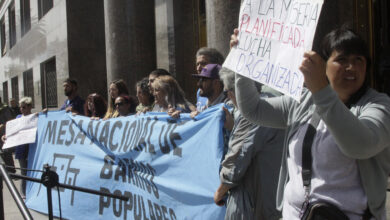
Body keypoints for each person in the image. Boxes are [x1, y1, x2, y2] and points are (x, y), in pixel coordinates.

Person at [233, 27, 390, 219]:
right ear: (323, 64)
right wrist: (242, 63)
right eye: (342, 59)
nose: (352, 67)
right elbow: (253, 109)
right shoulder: (304, 102)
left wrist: (321, 90)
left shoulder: (378, 105)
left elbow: (360, 145)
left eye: (359, 60)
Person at [213, 68, 284, 220]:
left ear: (235, 91)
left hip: (252, 203)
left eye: (227, 92)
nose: (228, 97)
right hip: (270, 198)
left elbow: (237, 159)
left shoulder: (254, 112)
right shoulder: (272, 102)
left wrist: (221, 190)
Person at [14, 97, 34, 198]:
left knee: (33, 171)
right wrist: (5, 136)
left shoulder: (35, 117)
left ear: (30, 107)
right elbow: (12, 131)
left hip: (32, 148)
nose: (22, 109)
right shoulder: (18, 117)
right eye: (20, 107)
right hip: (21, 149)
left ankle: (32, 191)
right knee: (23, 172)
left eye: (24, 107)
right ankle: (23, 193)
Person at [0, 97, 15, 173]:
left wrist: (3, 125)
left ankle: (11, 170)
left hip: (4, 134)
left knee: (7, 152)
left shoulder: (5, 109)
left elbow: (11, 121)